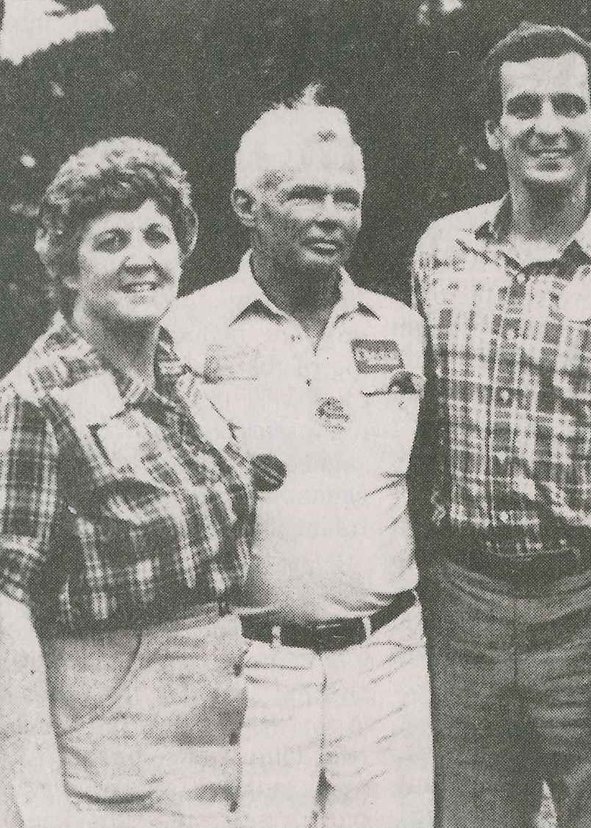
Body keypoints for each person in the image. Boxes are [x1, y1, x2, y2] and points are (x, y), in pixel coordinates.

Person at [411, 22, 591, 828]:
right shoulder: (441, 254)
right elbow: (419, 441)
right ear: (492, 131)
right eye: (525, 107)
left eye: (570, 105)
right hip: (462, 603)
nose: (549, 125)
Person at [167, 87, 431, 827]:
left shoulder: (403, 331)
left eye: (347, 197)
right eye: (305, 194)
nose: (331, 215)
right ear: (246, 206)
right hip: (254, 665)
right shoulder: (186, 333)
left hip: (385, 663)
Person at [0, 137, 253, 827]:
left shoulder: (177, 373)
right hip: (115, 762)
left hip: (219, 742)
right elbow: (5, 607)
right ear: (69, 267)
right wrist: (32, 803)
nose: (141, 257)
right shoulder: (35, 398)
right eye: (111, 240)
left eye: (157, 235)